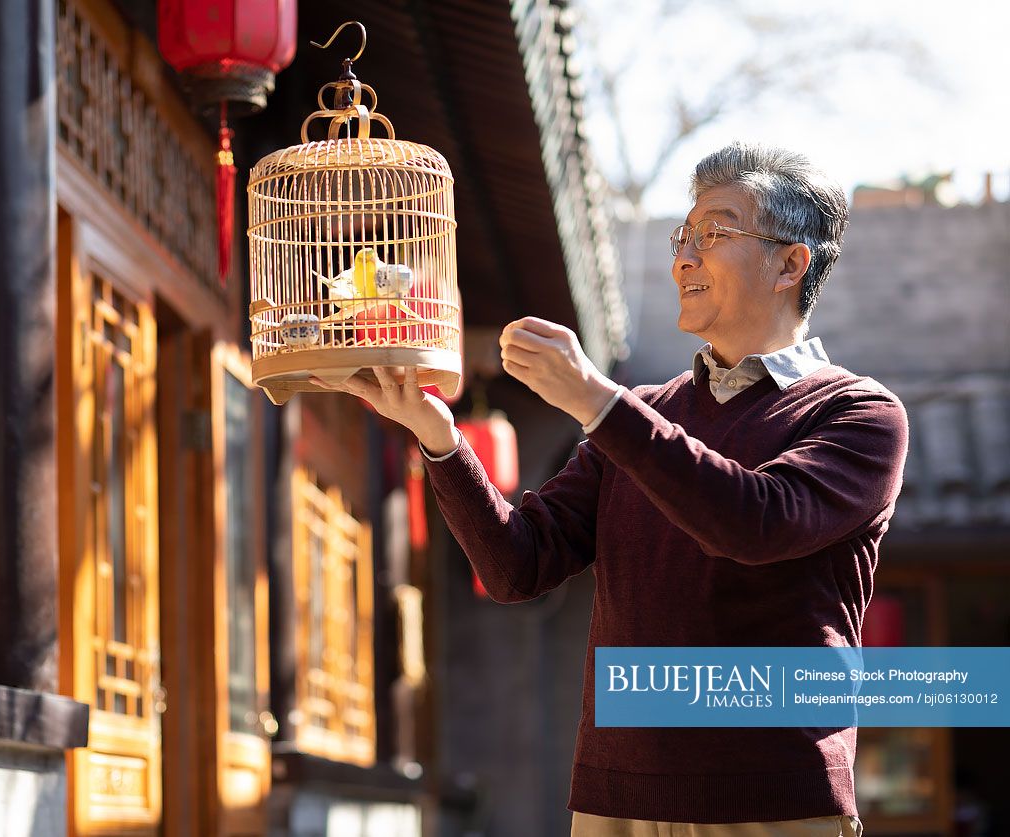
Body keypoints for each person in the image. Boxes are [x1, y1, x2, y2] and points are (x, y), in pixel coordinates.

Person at [311, 142, 907, 836]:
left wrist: (598, 401)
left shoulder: (856, 413)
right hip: (613, 802)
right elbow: (516, 566)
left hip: (771, 801)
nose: (684, 256)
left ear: (790, 262)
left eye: (712, 233)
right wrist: (435, 433)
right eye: (681, 236)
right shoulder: (639, 415)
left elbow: (753, 522)